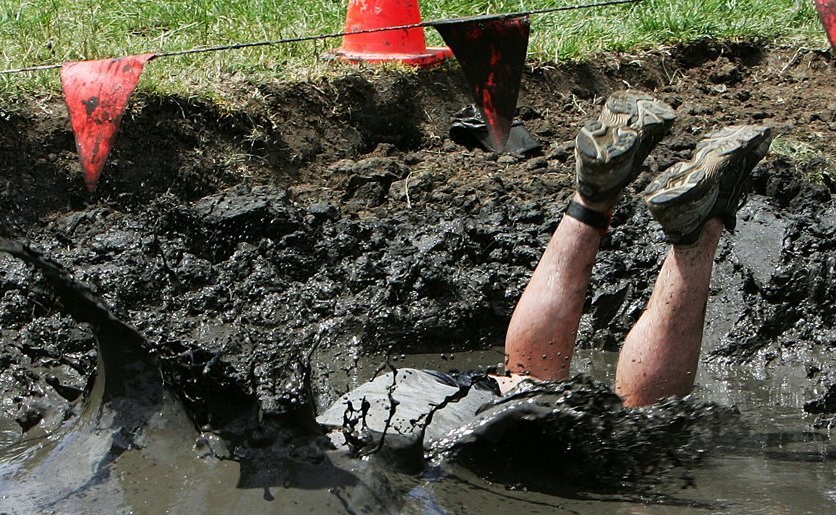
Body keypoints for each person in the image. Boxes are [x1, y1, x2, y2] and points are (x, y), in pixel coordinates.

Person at [318, 90, 772, 457]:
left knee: (632, 425)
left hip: (408, 429)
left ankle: (686, 226)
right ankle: (603, 201)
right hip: (388, 401)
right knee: (532, 387)